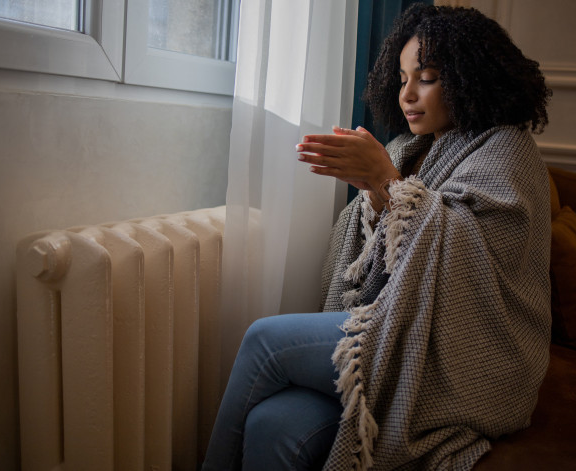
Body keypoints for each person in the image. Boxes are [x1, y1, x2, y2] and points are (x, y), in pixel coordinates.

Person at [202, 4, 552, 470]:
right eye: (402, 77)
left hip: (463, 355)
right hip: (392, 321)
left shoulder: (508, 149)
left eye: (425, 77)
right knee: (274, 423)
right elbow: (369, 251)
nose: (407, 94)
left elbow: (473, 259)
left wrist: (386, 183)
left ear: (473, 76)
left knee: (265, 340)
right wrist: (376, 191)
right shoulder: (408, 149)